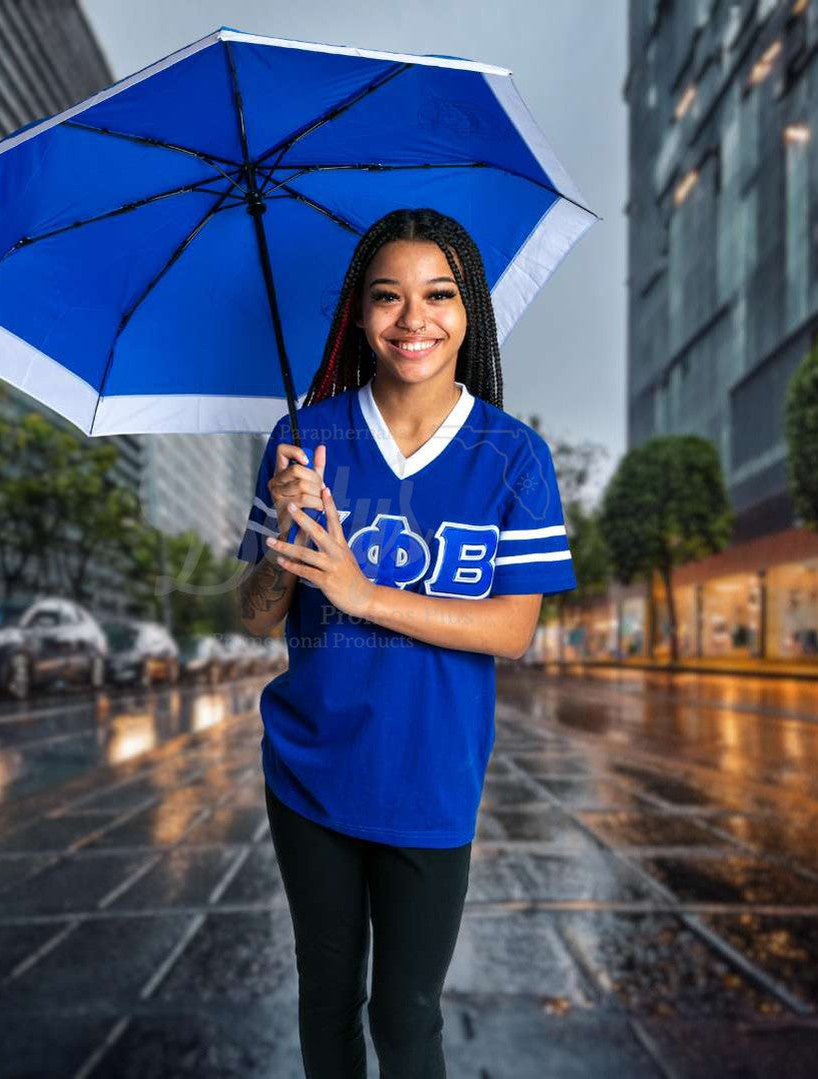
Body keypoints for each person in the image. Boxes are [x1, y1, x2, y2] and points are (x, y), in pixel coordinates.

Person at [235, 208, 577, 1078]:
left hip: (431, 775)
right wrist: (287, 531)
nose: (411, 319)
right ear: (357, 314)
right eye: (386, 297)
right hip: (309, 770)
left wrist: (361, 591)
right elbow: (254, 612)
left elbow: (512, 628)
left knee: (406, 1011)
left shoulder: (513, 455)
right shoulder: (302, 441)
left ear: (469, 314)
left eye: (437, 295)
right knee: (326, 996)